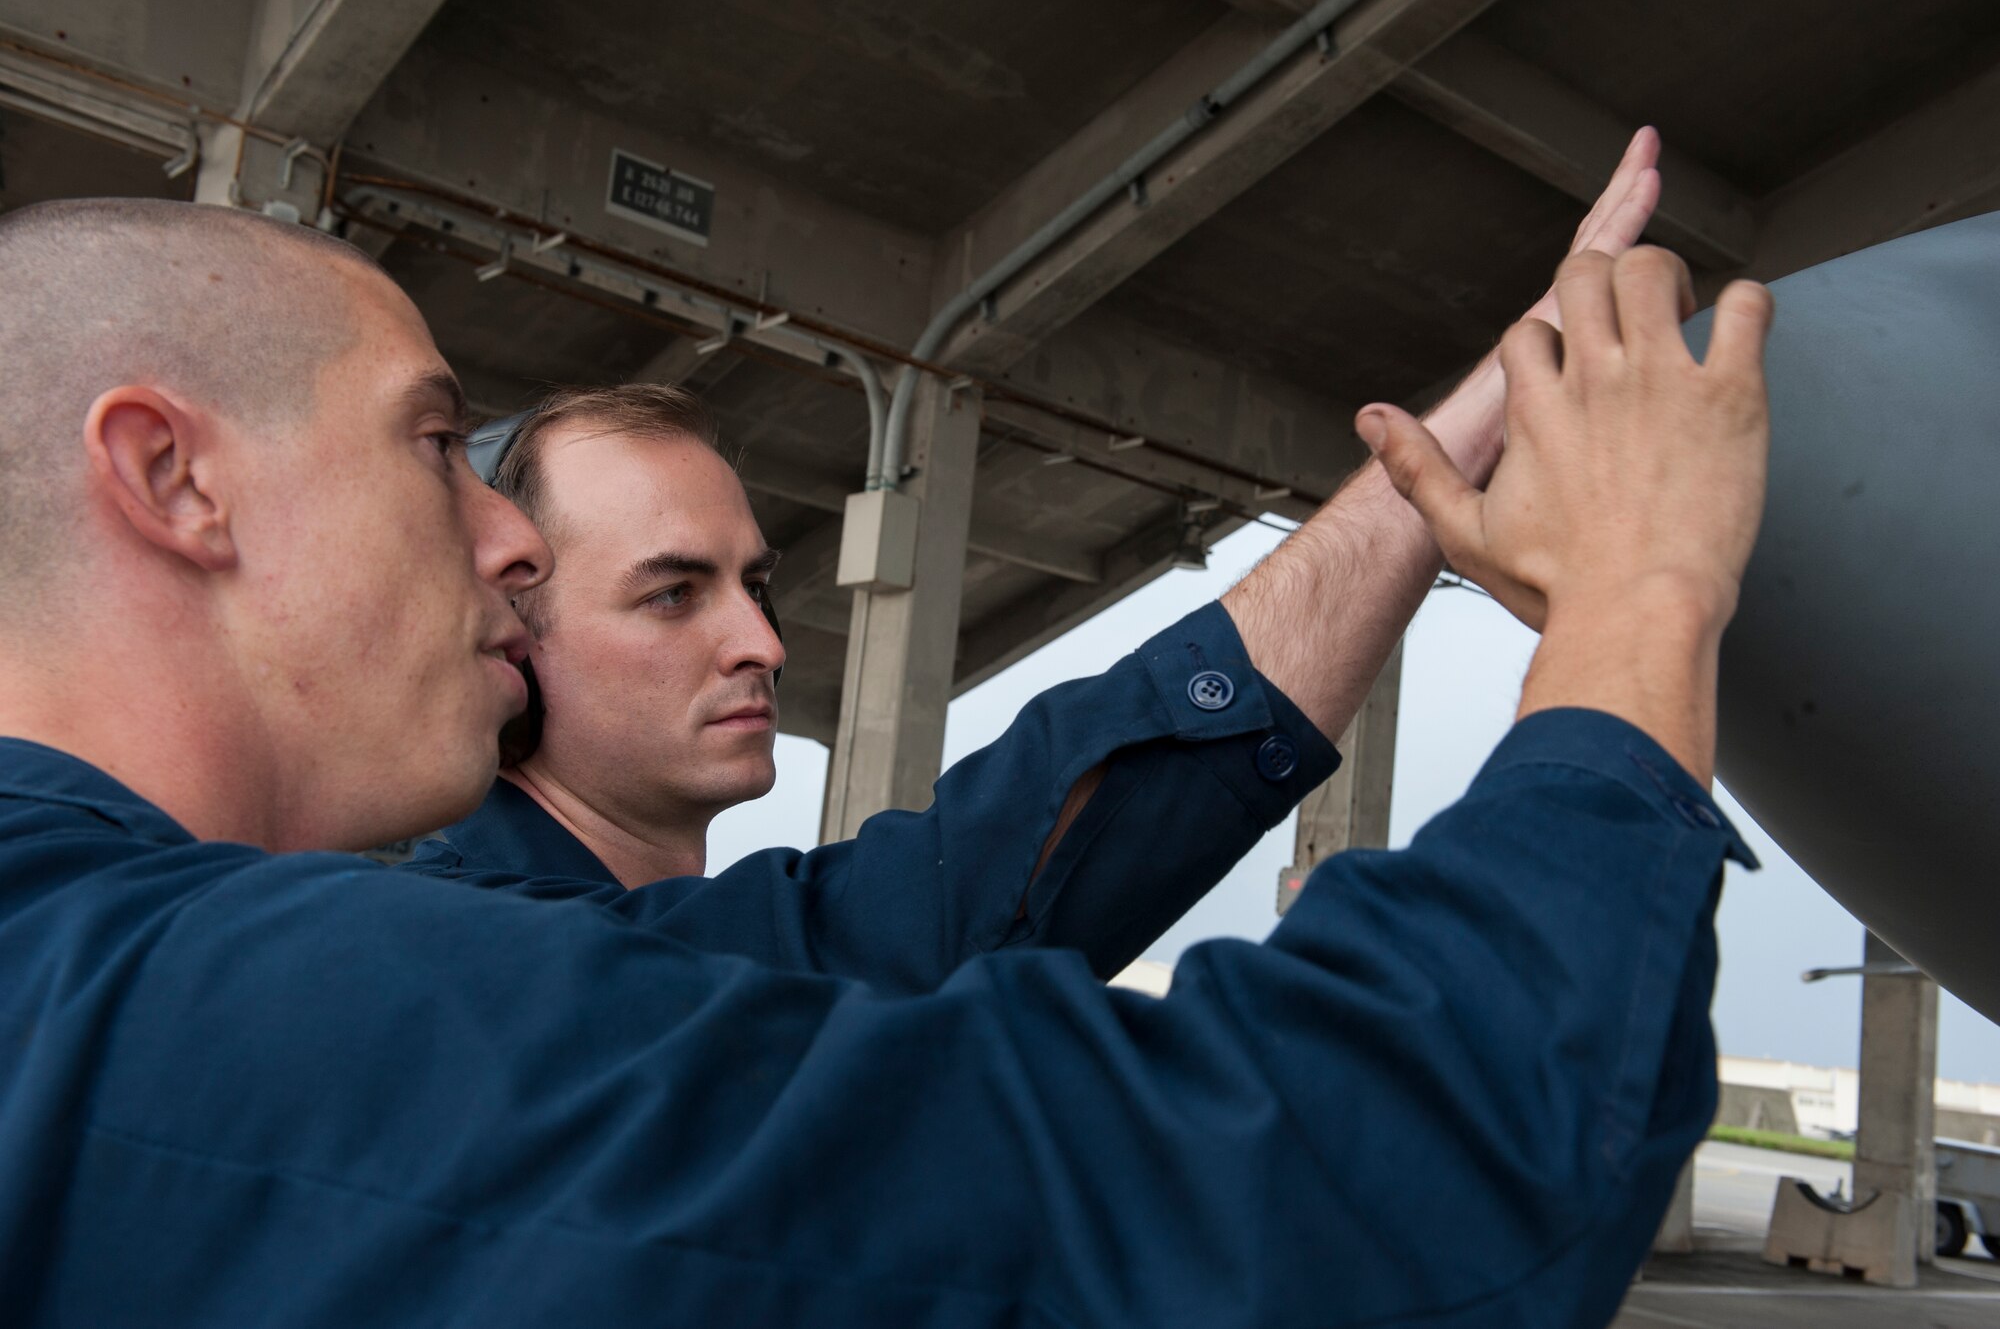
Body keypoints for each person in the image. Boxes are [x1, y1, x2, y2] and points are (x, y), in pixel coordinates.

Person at [0, 183, 1772, 1325]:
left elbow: (992, 866)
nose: (502, 545)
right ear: (172, 477)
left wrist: (1421, 473)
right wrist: (1641, 590)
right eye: (437, 442)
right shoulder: (257, 1019)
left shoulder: (177, 972)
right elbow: (1367, 1197)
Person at [406, 138, 1673, 974]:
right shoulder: (493, 956)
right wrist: (1623, 600)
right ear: (507, 644)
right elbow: (973, 884)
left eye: (754, 583)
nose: (762, 643)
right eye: (672, 591)